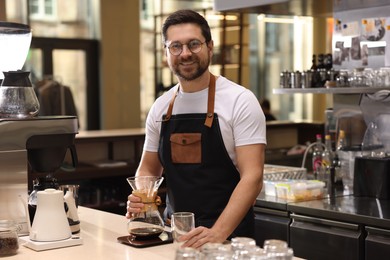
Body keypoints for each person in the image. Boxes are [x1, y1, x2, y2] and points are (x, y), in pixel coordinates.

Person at [126, 9, 266, 249]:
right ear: (166, 53)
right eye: (176, 47)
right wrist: (142, 196)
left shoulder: (240, 100)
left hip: (229, 239)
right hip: (174, 235)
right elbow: (148, 168)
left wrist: (217, 233)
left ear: (210, 47)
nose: (185, 54)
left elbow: (252, 177)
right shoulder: (161, 107)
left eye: (194, 44)